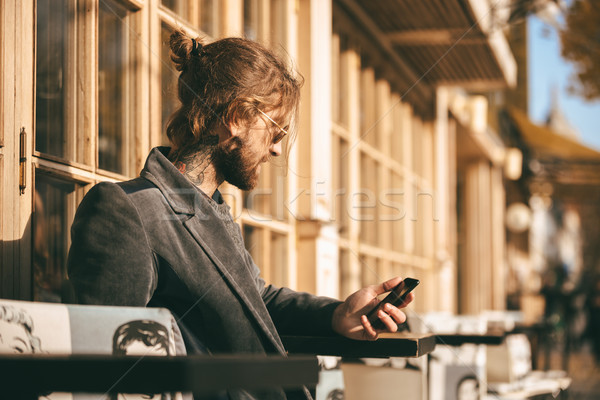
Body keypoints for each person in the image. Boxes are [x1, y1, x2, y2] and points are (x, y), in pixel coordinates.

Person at [67, 31, 414, 400]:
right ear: (235, 118)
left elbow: (255, 302)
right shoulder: (125, 209)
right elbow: (112, 365)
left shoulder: (210, 207)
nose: (277, 150)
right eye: (276, 131)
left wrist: (338, 313)